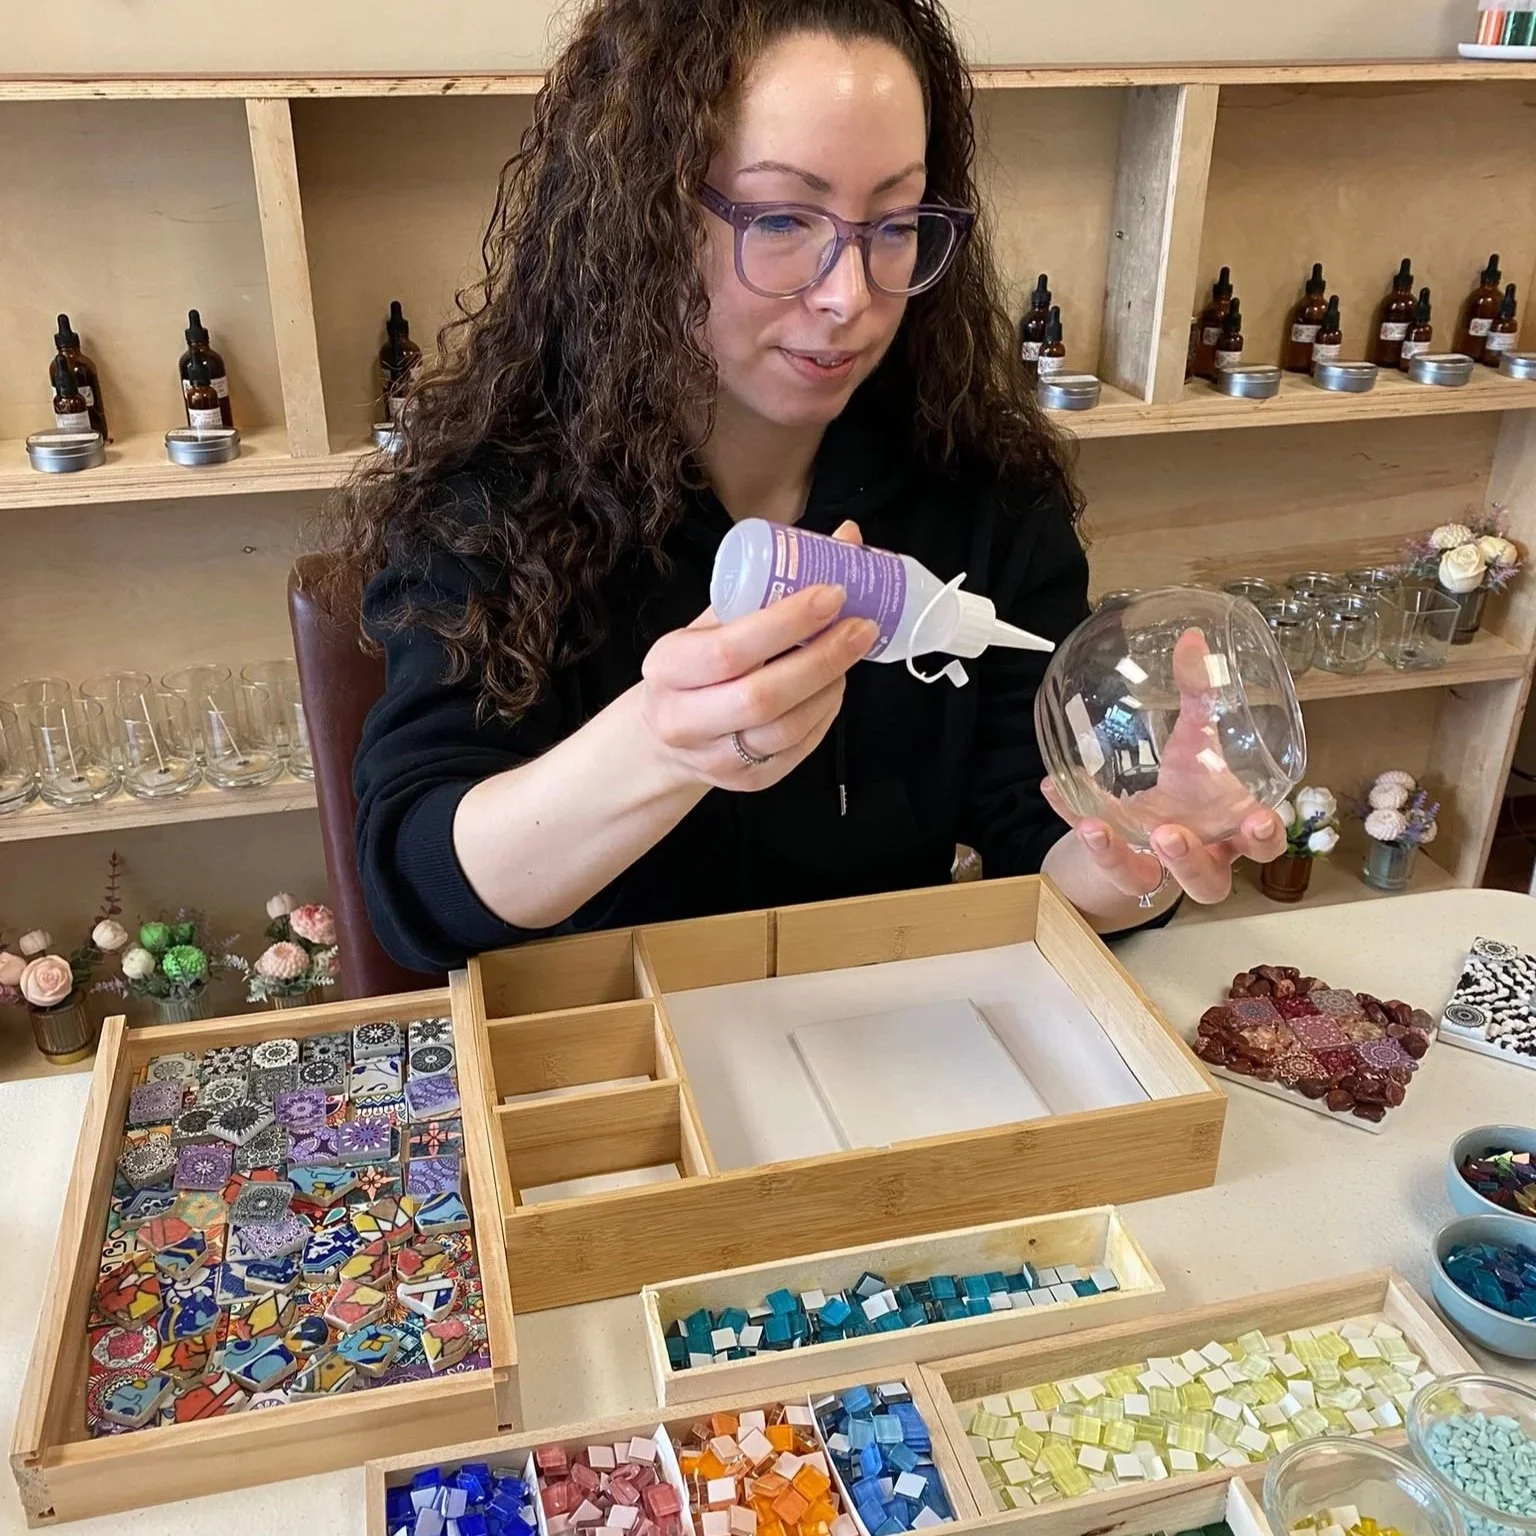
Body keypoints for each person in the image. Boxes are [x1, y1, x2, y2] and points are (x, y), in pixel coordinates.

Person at [325, 0, 1285, 975]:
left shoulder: (981, 484)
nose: (850, 296)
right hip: (619, 1052)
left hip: (888, 1044)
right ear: (645, 218)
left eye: (898, 221)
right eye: (783, 217)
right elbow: (419, 890)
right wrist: (662, 746)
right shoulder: (500, 504)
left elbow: (1034, 830)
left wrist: (1143, 848)